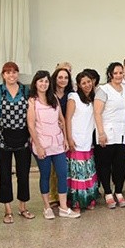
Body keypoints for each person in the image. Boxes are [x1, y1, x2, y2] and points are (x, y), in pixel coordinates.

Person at [27, 70, 76, 219]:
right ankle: (47, 207)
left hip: (57, 143)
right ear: (35, 83)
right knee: (45, 175)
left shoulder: (53, 98)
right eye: (41, 81)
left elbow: (61, 120)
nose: (44, 84)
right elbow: (31, 125)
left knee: (62, 174)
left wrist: (66, 140)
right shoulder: (32, 101)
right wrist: (39, 146)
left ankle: (63, 207)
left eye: (46, 81)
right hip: (42, 144)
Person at [0, 62, 34, 224]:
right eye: (8, 72)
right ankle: (7, 209)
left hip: (23, 138)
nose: (12, 75)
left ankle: (23, 206)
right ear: (3, 75)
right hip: (2, 139)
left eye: (14, 72)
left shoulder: (25, 90)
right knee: (5, 174)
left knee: (23, 174)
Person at [94, 62, 125, 209]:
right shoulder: (103, 90)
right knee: (105, 165)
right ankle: (108, 193)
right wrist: (101, 133)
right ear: (110, 74)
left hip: (123, 134)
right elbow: (97, 112)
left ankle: (119, 191)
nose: (118, 75)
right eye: (115, 73)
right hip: (107, 134)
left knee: (121, 165)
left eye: (120, 73)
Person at [65, 70, 101, 211]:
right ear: (78, 85)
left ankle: (88, 198)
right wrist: (69, 138)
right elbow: (68, 118)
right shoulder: (73, 97)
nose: (87, 85)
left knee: (87, 172)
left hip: (88, 140)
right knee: (77, 173)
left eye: (88, 82)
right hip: (76, 139)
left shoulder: (94, 98)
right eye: (83, 83)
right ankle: (76, 202)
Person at [48, 65, 74, 210]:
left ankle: (66, 194)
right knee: (53, 168)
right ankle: (53, 196)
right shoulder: (49, 94)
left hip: (68, 131)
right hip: (52, 133)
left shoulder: (72, 94)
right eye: (60, 77)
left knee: (65, 167)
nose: (63, 80)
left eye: (66, 77)